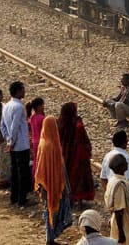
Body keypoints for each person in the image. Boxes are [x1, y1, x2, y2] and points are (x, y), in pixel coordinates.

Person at [35, 116, 73, 245]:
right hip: (53, 183)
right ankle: (50, 238)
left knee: (48, 209)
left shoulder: (43, 142)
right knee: (54, 209)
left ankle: (50, 237)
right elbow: (57, 167)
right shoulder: (51, 145)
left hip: (45, 183)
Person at [1, 81, 33, 207]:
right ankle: (22, 199)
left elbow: (2, 125)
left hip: (13, 144)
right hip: (20, 145)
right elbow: (14, 127)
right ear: (18, 91)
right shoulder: (19, 107)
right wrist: (12, 142)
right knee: (22, 173)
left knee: (14, 172)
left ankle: (13, 197)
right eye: (23, 90)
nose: (24, 92)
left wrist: (8, 139)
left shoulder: (7, 106)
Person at [104, 153, 129, 245]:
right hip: (126, 223)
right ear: (121, 167)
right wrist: (121, 233)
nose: (127, 165)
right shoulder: (120, 185)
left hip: (121, 221)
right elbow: (119, 209)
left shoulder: (112, 181)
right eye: (125, 163)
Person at [59, 102, 96, 203]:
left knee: (67, 175)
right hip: (78, 155)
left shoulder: (61, 122)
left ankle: (68, 196)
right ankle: (79, 198)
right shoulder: (77, 123)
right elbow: (83, 139)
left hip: (65, 154)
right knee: (79, 177)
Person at [28, 97, 46, 172]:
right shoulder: (42, 118)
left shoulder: (32, 117)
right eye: (42, 105)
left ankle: (34, 176)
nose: (43, 107)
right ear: (38, 107)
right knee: (42, 161)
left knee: (36, 160)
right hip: (41, 142)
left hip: (34, 142)